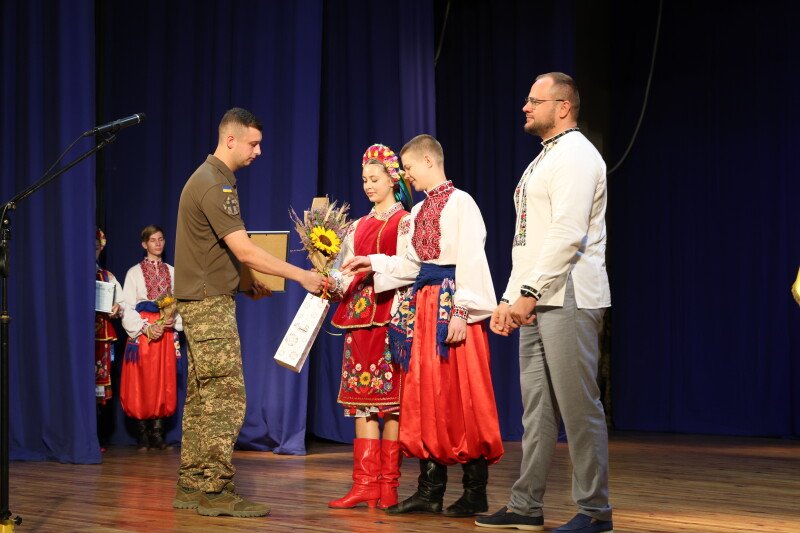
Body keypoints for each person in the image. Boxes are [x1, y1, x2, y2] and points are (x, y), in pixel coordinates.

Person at [171, 107, 327, 518]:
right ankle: (216, 490)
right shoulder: (215, 183)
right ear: (231, 140)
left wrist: (247, 280)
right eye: (253, 144)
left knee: (203, 396)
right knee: (225, 396)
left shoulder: (210, 179)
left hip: (201, 298)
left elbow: (215, 249)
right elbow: (243, 248)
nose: (259, 151)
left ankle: (192, 484)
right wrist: (302, 276)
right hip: (209, 303)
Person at [476, 73, 613, 533]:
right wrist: (509, 297)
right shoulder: (545, 157)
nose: (526, 107)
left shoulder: (576, 155)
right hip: (538, 295)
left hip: (568, 292)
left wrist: (529, 293)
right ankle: (525, 505)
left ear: (563, 106)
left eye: (535, 101)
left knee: (578, 406)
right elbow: (527, 240)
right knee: (536, 408)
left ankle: (595, 511)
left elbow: (567, 234)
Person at [343, 134, 504, 518]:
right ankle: (430, 490)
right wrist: (372, 262)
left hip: (452, 306)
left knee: (462, 395)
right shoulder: (417, 212)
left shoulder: (461, 203)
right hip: (424, 307)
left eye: (409, 167)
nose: (407, 175)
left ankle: (475, 490)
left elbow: (471, 258)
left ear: (429, 161)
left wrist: (463, 311)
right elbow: (411, 266)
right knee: (426, 395)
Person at [327, 144, 413, 510]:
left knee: (391, 404)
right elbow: (345, 273)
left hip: (390, 315)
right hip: (359, 318)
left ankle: (388, 485)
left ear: (392, 179)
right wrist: (329, 280)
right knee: (360, 401)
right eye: (364, 179)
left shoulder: (405, 221)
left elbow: (410, 267)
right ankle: (364, 484)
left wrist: (373, 265)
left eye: (374, 179)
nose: (368, 185)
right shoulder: (356, 226)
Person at [120, 225, 182, 451]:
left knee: (163, 379)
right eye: (153, 240)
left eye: (161, 239)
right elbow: (127, 306)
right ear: (144, 244)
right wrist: (145, 328)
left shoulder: (172, 272)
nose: (158, 243)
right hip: (145, 332)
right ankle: (142, 434)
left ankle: (158, 433)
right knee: (141, 380)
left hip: (165, 332)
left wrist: (173, 320)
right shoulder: (134, 273)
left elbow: (180, 303)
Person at [95, 228, 124, 450]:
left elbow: (120, 303)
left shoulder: (107, 276)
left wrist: (117, 308)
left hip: (101, 338)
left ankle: (98, 435)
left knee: (101, 386)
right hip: (80, 339)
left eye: (98, 246)